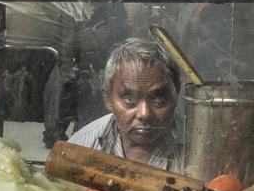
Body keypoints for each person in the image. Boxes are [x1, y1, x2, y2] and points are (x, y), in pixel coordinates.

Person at [67, 37, 182, 172]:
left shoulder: (200, 151)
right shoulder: (81, 148)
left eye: (158, 100)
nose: (144, 114)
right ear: (108, 99)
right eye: (130, 100)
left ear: (176, 94)